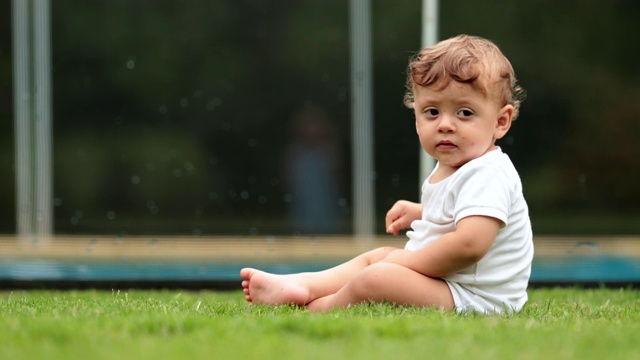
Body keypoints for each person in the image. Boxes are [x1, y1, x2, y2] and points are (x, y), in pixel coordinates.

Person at [240, 34, 533, 314]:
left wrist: (409, 262)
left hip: (477, 299)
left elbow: (469, 244)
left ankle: (316, 308)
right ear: (416, 115)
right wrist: (421, 212)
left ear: (501, 121)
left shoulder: (487, 173)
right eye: (432, 111)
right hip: (454, 284)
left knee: (379, 277)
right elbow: (459, 214)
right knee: (378, 257)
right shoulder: (460, 164)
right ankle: (301, 284)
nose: (445, 124)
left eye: (465, 113)